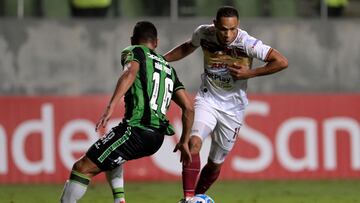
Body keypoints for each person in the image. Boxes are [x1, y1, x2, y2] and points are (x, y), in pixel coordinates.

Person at [163, 6, 288, 202]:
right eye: (223, 29)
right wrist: (162, 60)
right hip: (208, 100)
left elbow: (281, 61)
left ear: (237, 26)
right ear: (215, 25)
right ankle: (188, 199)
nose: (228, 34)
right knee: (193, 143)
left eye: (232, 29)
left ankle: (196, 197)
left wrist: (250, 73)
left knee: (215, 163)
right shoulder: (204, 33)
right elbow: (188, 46)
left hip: (233, 109)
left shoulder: (248, 43)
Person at [60, 20, 194, 203]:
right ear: (156, 43)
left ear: (133, 40)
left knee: (81, 168)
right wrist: (184, 141)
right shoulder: (168, 68)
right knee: (113, 156)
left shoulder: (135, 51)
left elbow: (130, 72)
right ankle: (120, 200)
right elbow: (188, 107)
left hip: (137, 130)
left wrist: (110, 106)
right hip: (157, 138)